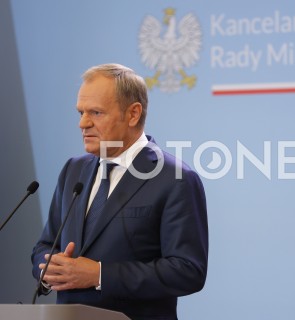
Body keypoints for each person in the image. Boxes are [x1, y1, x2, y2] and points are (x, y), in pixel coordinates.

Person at [31, 63, 208, 320]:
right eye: (80, 112)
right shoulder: (73, 170)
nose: (83, 123)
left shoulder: (175, 178)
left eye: (96, 113)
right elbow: (45, 245)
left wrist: (100, 275)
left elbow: (187, 270)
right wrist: (51, 270)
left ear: (133, 114)